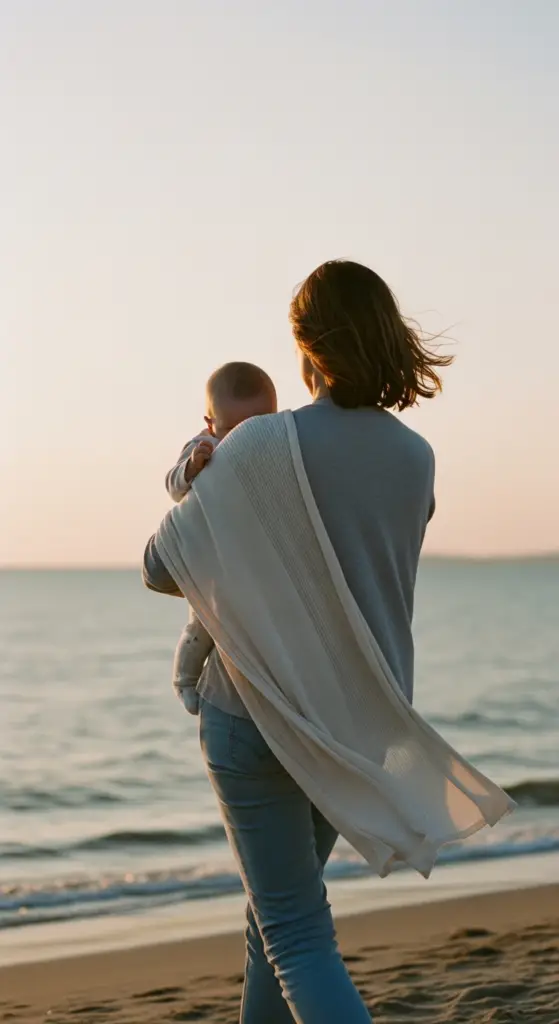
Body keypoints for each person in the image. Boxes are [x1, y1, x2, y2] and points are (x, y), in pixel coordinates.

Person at [143, 259, 453, 1022]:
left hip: (254, 713)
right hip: (353, 722)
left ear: (306, 347)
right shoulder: (416, 458)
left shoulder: (257, 446)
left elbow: (160, 568)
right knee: (275, 918)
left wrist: (197, 475)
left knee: (293, 934)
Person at [164, 362, 277, 715]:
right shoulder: (203, 446)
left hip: (250, 560)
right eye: (231, 429)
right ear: (210, 423)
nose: (242, 437)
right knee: (201, 626)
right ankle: (184, 679)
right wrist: (192, 468)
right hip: (211, 560)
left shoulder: (274, 446)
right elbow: (173, 487)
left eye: (254, 426)